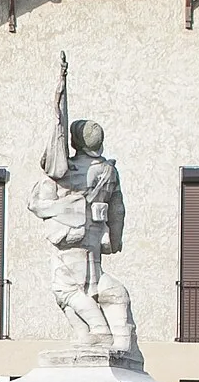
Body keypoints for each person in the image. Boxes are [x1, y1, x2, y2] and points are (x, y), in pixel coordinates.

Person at [28, 56, 137, 354]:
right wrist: (115, 240)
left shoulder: (68, 172)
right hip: (93, 238)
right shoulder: (109, 171)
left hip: (69, 238)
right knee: (89, 286)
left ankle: (98, 330)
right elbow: (118, 210)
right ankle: (85, 334)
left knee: (65, 289)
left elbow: (38, 198)